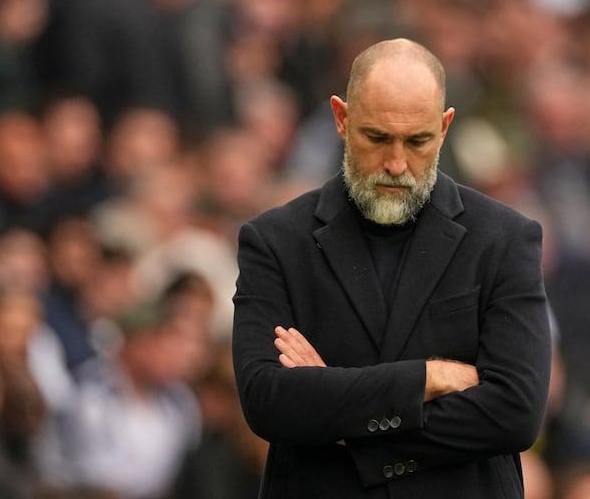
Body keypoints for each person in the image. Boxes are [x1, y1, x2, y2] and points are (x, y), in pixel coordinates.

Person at [232, 38, 552, 498]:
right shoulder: (276, 241)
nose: (396, 163)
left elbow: (516, 413)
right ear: (342, 119)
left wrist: (345, 422)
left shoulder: (505, 239)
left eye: (417, 141)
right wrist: (428, 377)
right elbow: (268, 400)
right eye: (377, 137)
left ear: (444, 128)